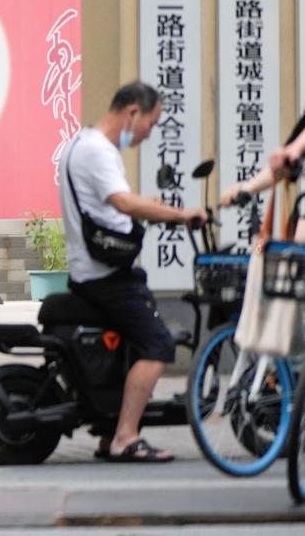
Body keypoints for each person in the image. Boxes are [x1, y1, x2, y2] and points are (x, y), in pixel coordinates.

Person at [60, 81, 206, 463]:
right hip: (107, 276)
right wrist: (181, 214)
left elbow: (110, 205)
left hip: (90, 271)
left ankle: (112, 431)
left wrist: (148, 205)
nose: (148, 133)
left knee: (134, 344)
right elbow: (123, 203)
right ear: (131, 113)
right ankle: (126, 437)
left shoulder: (82, 143)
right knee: (158, 344)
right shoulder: (98, 151)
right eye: (151, 124)